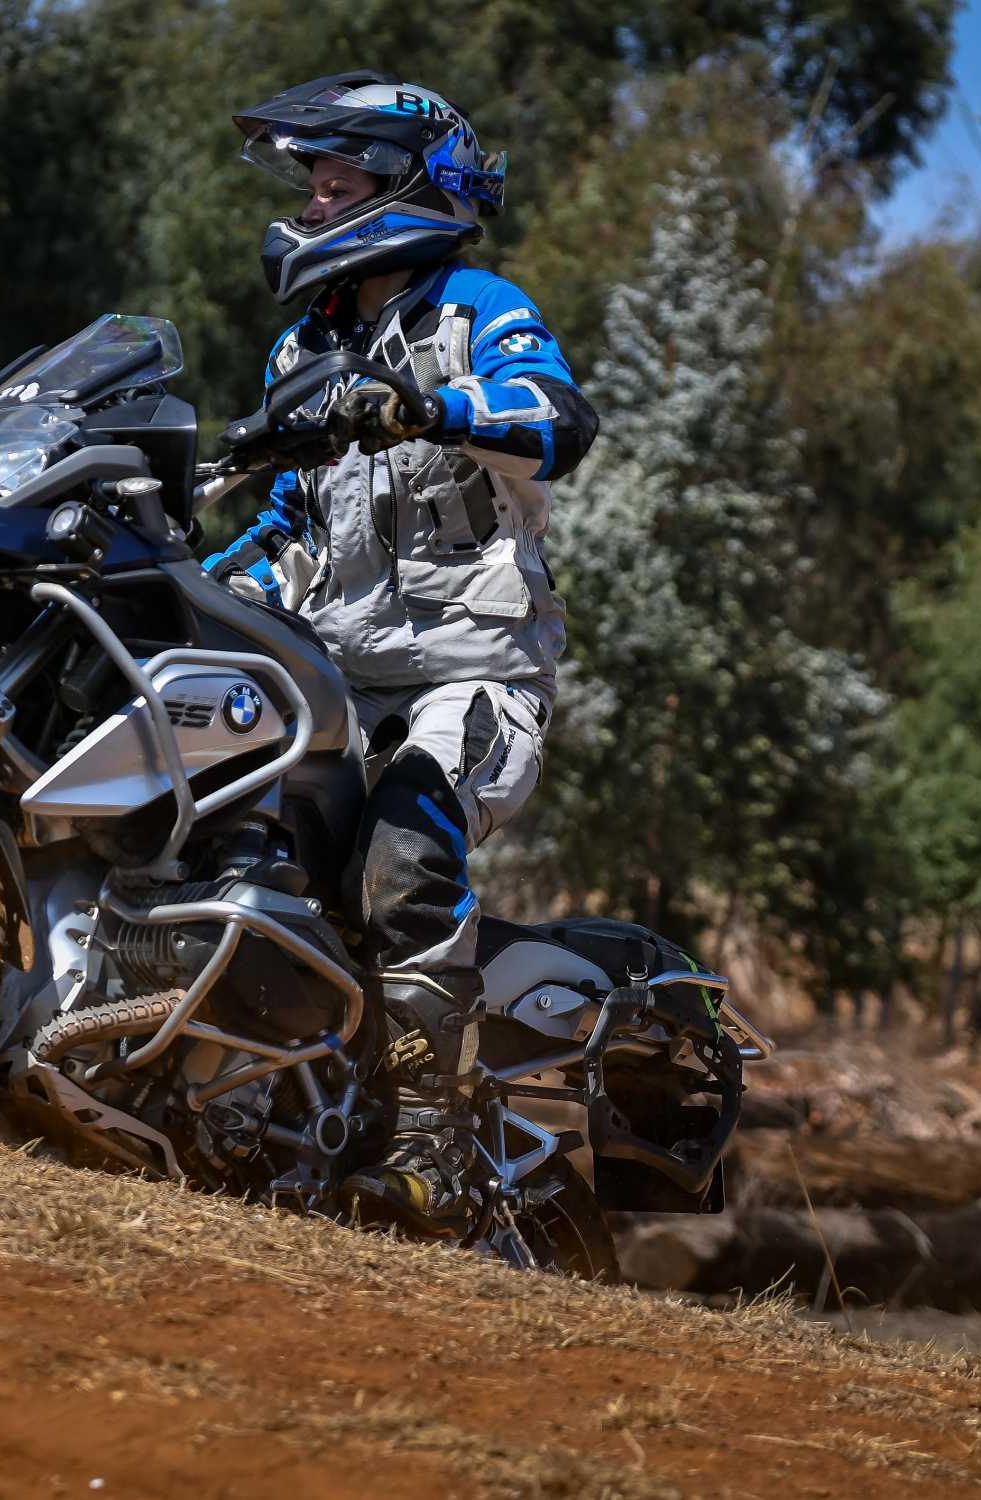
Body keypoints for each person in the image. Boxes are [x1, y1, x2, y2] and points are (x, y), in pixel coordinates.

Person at [207, 73, 598, 1233]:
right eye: (313, 183)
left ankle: (434, 1137)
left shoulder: (479, 308)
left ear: (406, 185)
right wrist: (200, 578)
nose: (314, 201)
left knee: (403, 856)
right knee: (236, 849)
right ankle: (249, 1105)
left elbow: (555, 418)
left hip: (473, 675)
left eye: (339, 181)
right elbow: (289, 513)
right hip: (331, 682)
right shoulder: (303, 345)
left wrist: (424, 407)